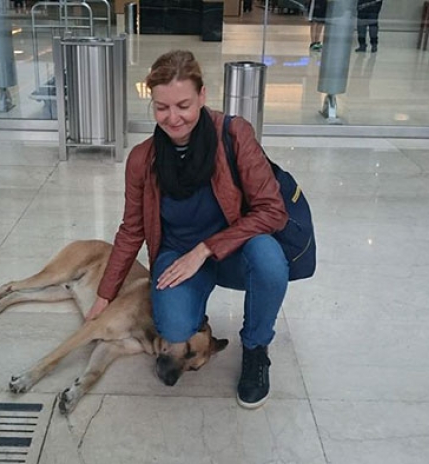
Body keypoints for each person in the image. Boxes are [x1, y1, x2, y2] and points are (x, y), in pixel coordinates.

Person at [85, 50, 289, 409]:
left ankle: (256, 349)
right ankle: (194, 311)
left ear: (202, 96)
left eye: (183, 105)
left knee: (270, 260)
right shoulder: (143, 159)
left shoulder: (234, 135)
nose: (173, 118)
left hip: (234, 248)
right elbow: (131, 230)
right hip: (177, 253)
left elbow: (273, 210)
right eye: (162, 107)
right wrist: (105, 295)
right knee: (175, 329)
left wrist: (206, 248)